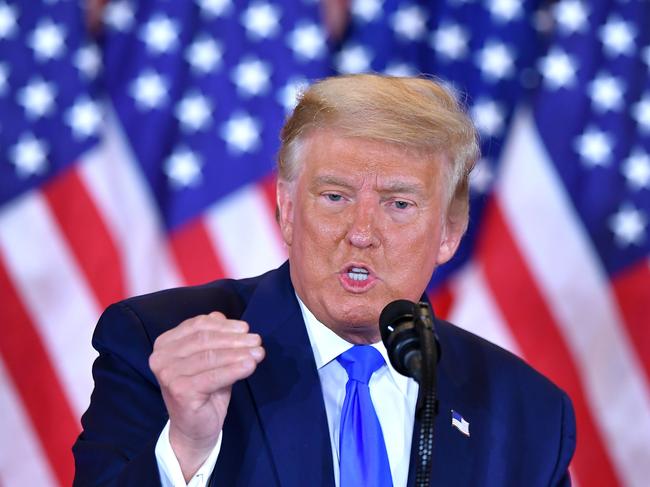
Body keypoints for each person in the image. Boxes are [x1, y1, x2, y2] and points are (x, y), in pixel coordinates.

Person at [72, 74, 576, 487]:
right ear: (287, 210)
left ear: (448, 233)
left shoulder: (528, 413)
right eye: (334, 196)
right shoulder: (156, 343)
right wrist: (186, 447)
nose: (361, 233)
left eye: (399, 205)